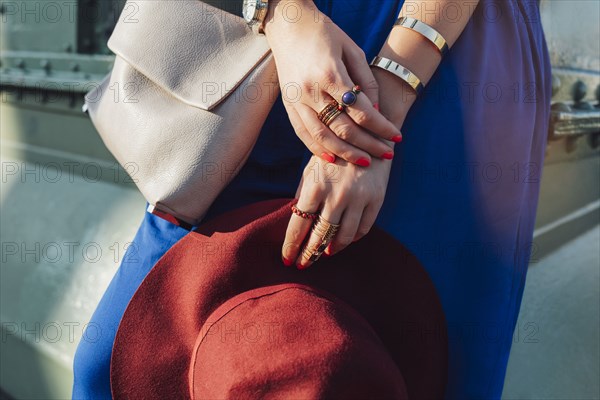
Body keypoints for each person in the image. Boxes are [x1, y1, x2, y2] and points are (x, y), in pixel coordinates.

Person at [72, 0, 552, 399]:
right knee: (115, 368)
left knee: (412, 369)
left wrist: (373, 121)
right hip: (256, 45)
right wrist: (285, 15)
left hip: (435, 50)